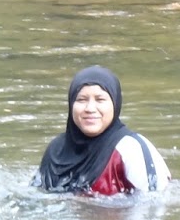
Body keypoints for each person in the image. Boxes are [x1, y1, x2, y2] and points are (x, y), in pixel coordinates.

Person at [32, 66, 170, 197]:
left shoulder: (131, 148)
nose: (90, 108)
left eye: (100, 99)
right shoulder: (56, 149)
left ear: (115, 104)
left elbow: (154, 205)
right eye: (81, 100)